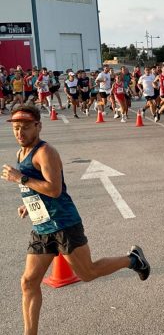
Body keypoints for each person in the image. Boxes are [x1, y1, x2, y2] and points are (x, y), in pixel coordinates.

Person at [1, 106, 150, 335]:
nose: (20, 133)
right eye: (16, 128)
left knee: (88, 273)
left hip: (64, 224)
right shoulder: (22, 152)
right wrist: (29, 205)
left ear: (38, 127)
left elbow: (54, 189)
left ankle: (132, 259)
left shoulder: (45, 152)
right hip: (42, 226)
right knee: (28, 282)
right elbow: (36, 186)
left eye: (25, 128)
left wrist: (19, 177)